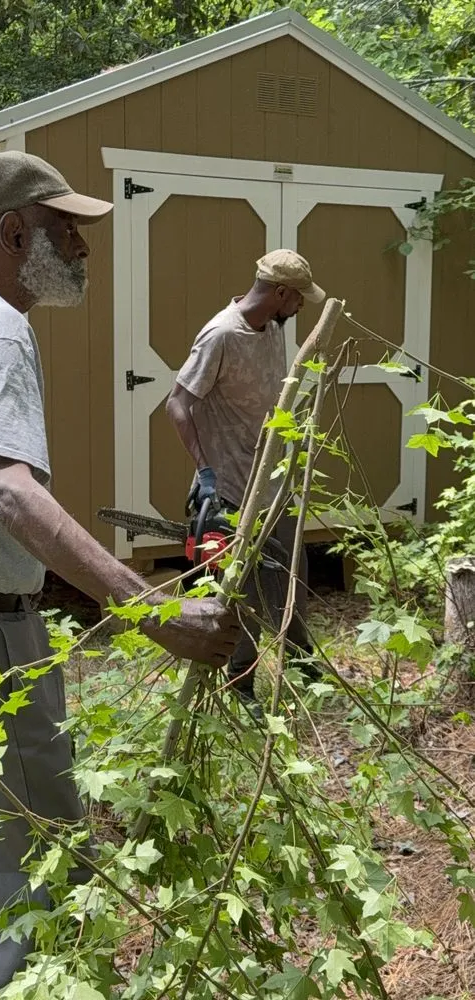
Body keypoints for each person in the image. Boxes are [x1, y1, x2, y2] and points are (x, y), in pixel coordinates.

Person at [0, 150, 239, 1000]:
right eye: (67, 230)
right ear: (14, 231)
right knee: (29, 862)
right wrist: (153, 612)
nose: (84, 249)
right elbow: (9, 492)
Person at [166, 249, 325, 717]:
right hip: (233, 486)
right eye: (298, 298)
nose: (302, 307)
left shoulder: (273, 327)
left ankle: (302, 661)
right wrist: (205, 470)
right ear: (279, 292)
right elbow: (176, 404)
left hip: (275, 478)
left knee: (290, 576)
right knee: (243, 591)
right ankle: (241, 684)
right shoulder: (220, 335)